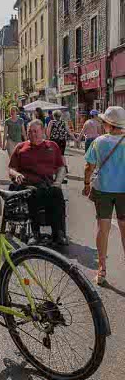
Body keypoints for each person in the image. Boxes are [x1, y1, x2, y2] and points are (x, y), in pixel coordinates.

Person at [83, 106, 125, 285]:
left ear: (108, 124)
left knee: (103, 227)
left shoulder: (98, 142)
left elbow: (89, 167)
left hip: (103, 189)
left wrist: (86, 184)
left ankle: (102, 271)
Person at [9, 120, 68, 246]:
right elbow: (11, 169)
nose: (33, 134)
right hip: (28, 185)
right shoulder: (21, 147)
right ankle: (35, 233)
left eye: (36, 131)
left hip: (47, 184)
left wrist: (58, 181)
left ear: (43, 131)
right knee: (33, 192)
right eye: (30, 131)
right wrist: (16, 174)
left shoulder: (52, 146)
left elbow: (61, 167)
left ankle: (58, 233)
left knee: (57, 192)